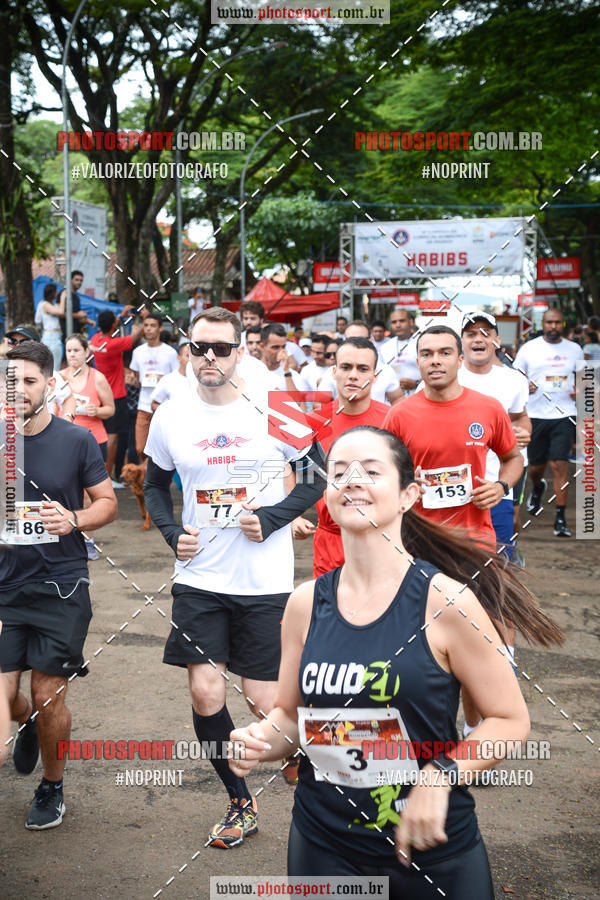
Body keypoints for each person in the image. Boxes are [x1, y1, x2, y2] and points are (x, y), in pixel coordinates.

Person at [230, 425, 562, 897]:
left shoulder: (446, 602)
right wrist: (261, 740)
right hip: (323, 845)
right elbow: (289, 715)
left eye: (370, 470)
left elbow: (509, 720)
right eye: (339, 472)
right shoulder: (305, 603)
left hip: (430, 850)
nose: (352, 480)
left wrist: (441, 775)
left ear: (408, 495)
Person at [143, 306, 302, 848]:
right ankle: (240, 804)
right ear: (188, 351)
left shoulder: (275, 410)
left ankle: (308, 758)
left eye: (222, 348)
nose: (209, 357)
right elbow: (151, 487)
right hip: (200, 577)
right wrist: (171, 534)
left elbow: (320, 473)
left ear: (242, 352)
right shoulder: (171, 415)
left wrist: (274, 518)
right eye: (199, 346)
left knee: (264, 702)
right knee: (205, 688)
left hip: (264, 581)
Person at [0, 340, 117, 828]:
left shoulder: (76, 440)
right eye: (12, 381)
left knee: (49, 694)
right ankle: (24, 721)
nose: (20, 390)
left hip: (61, 585)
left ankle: (52, 785)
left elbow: (107, 502)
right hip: (6, 588)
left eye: (30, 380)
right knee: (9, 699)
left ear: (50, 384)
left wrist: (74, 518)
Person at [245, 338, 390, 577]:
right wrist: (294, 517)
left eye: (362, 369)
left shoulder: (392, 420)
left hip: (382, 539)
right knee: (328, 611)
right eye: (346, 367)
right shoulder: (311, 421)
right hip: (331, 542)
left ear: (375, 376)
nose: (353, 375)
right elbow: (289, 467)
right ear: (334, 371)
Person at [383, 325, 523, 547]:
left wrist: (501, 487)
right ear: (418, 362)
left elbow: (514, 458)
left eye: (445, 353)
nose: (435, 360)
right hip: (418, 541)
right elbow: (382, 473)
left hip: (474, 541)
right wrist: (404, 484)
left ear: (459, 361)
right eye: (426, 354)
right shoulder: (398, 415)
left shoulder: (489, 408)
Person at [459, 313, 530, 561]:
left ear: (497, 341)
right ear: (462, 342)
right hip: (453, 485)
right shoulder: (447, 378)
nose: (478, 339)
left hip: (497, 481)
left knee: (499, 563)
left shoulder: (514, 380)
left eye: (485, 333)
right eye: (471, 334)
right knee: (456, 560)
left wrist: (524, 430)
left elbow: (521, 416)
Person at [514, 307, 584, 537]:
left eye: (558, 322)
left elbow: (585, 380)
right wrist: (525, 385)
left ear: (563, 324)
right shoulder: (529, 349)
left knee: (559, 464)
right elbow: (515, 376)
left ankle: (560, 518)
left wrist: (580, 390)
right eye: (549, 322)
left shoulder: (574, 349)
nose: (553, 326)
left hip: (564, 414)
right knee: (536, 466)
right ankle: (538, 486)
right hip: (535, 416)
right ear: (542, 324)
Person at [89, 306, 148, 488]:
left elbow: (111, 333)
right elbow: (136, 336)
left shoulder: (96, 340)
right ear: (112, 325)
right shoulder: (115, 344)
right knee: (113, 438)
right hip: (116, 396)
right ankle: (106, 479)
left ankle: (104, 475)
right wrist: (143, 318)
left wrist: (120, 318)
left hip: (100, 395)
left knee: (103, 436)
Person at [129, 314, 178, 458]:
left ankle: (159, 479)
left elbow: (177, 378)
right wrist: (132, 381)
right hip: (143, 405)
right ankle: (146, 477)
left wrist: (164, 380)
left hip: (164, 406)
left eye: (153, 325)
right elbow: (137, 380)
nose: (149, 329)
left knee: (165, 449)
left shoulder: (170, 352)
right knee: (140, 448)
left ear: (160, 328)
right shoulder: (138, 352)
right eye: (146, 325)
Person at [318, 322, 403, 405]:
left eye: (361, 340)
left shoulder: (385, 370)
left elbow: (397, 399)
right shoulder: (333, 371)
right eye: (350, 340)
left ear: (370, 340)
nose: (356, 345)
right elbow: (319, 403)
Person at [381, 309, 420, 395]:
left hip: (420, 395)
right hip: (393, 399)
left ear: (411, 322)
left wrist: (417, 383)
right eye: (394, 322)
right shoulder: (385, 347)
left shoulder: (423, 342)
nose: (398, 325)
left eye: (402, 321)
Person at [150, 339, 191, 410]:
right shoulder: (168, 379)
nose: (191, 359)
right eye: (188, 356)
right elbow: (154, 404)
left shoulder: (203, 380)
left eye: (194, 356)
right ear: (179, 358)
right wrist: (169, 414)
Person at [259, 323, 302, 391]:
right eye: (275, 347)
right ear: (262, 347)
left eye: (283, 347)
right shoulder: (252, 371)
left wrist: (286, 372)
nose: (281, 351)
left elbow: (300, 401)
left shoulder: (292, 374)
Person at [35, 283, 65, 369]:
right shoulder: (45, 304)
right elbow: (61, 312)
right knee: (53, 367)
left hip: (56, 336)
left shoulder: (54, 305)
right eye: (56, 292)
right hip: (51, 337)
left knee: (56, 365)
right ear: (51, 293)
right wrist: (63, 297)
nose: (57, 294)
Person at [58, 270, 94, 338]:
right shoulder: (63, 294)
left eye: (81, 280)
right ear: (70, 280)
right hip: (67, 336)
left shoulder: (76, 297)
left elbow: (78, 318)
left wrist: (88, 321)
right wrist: (77, 315)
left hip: (76, 335)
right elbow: (60, 314)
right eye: (77, 280)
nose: (79, 282)